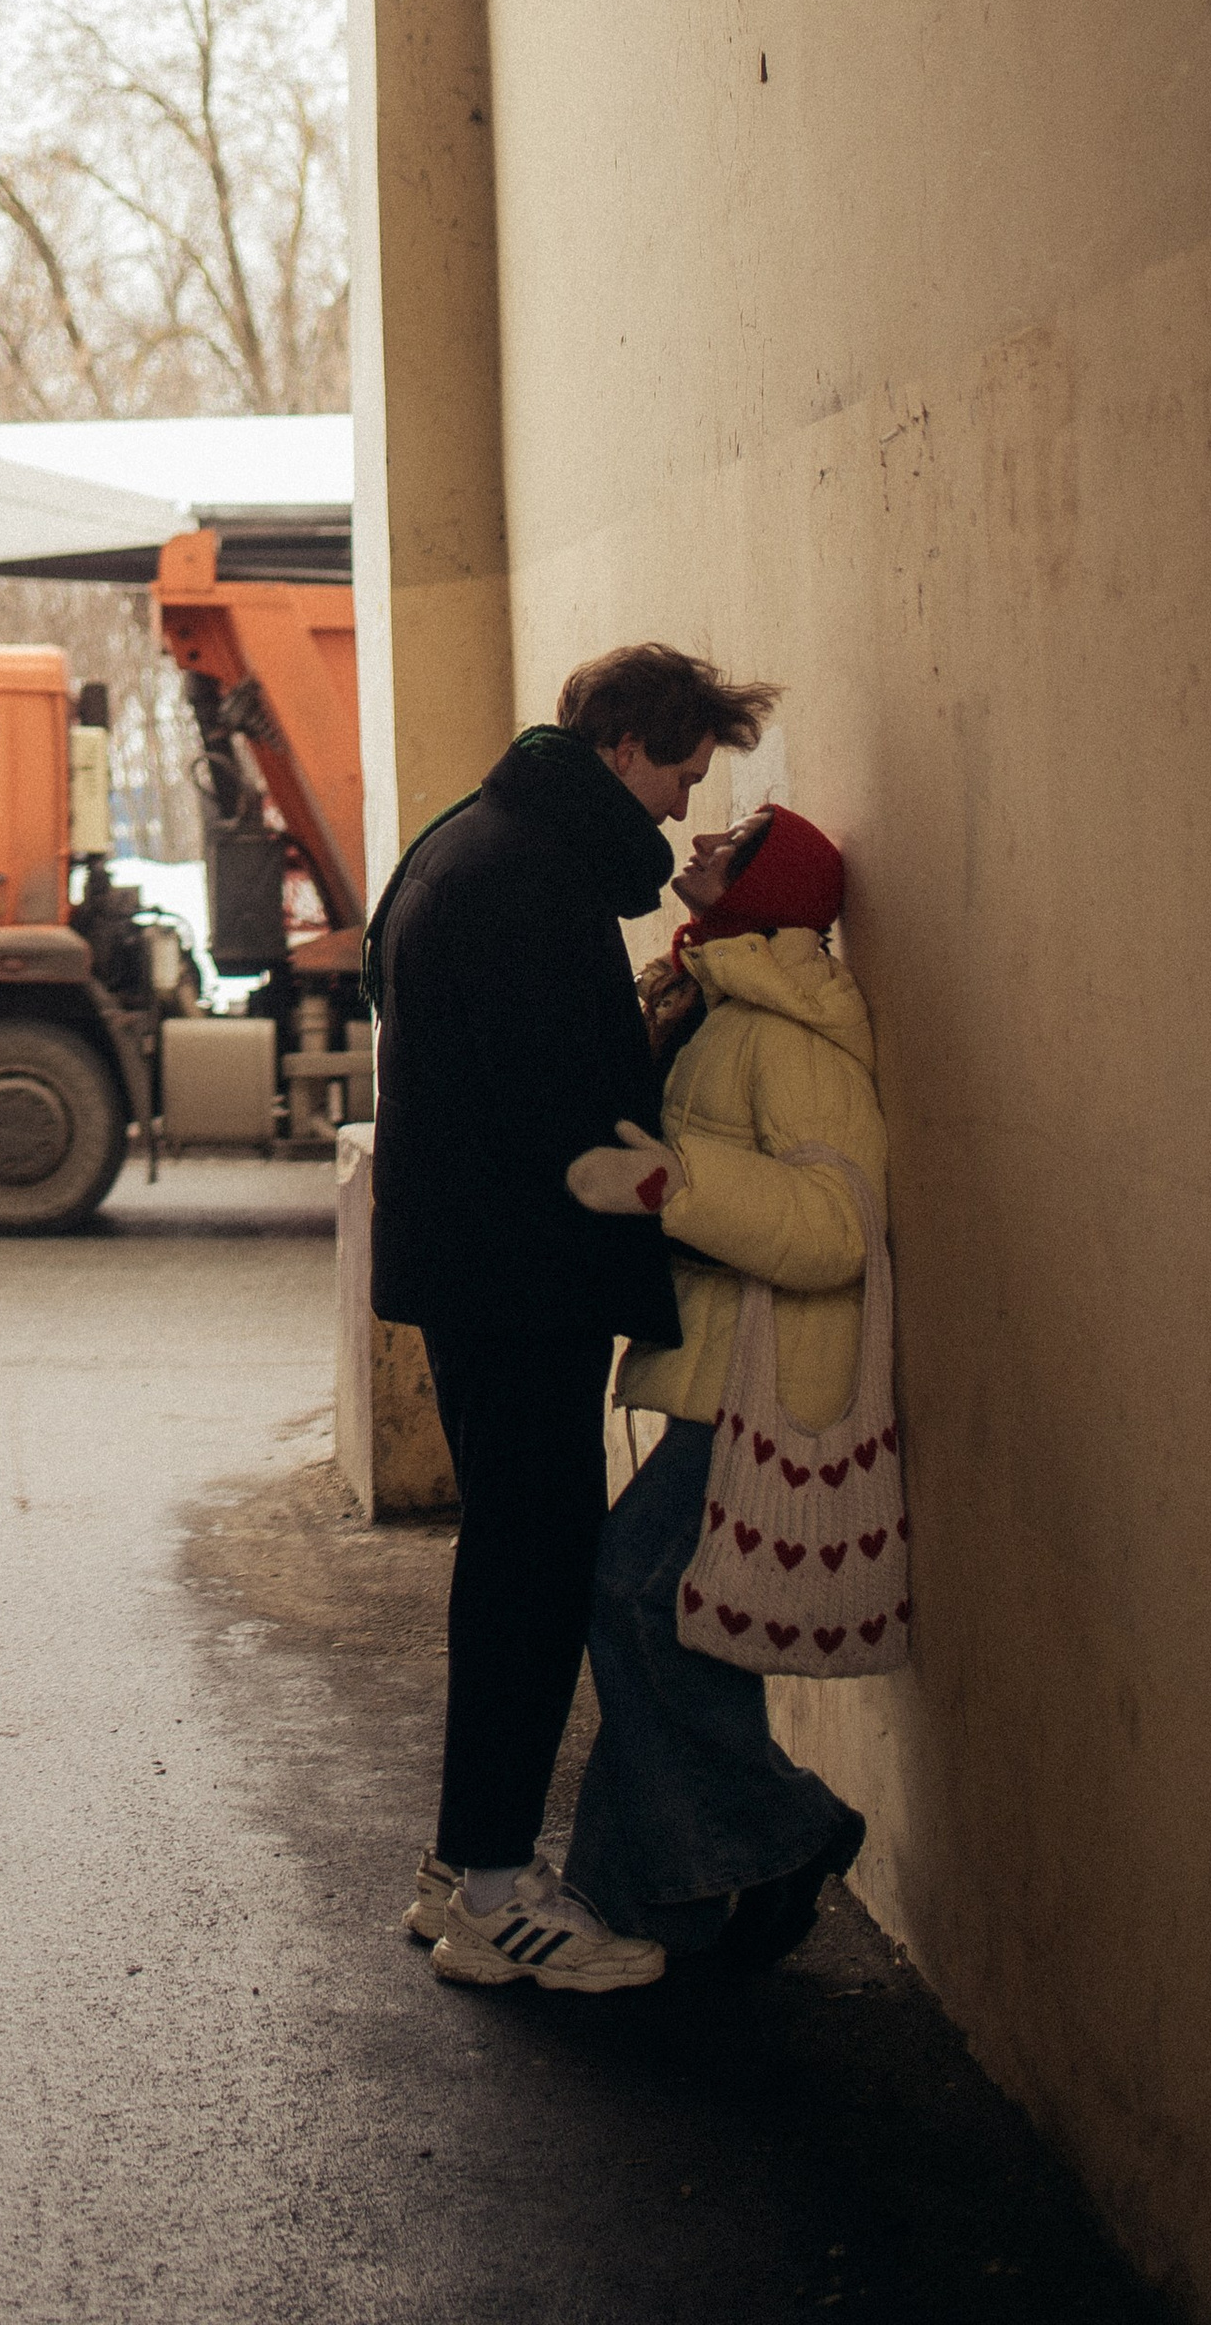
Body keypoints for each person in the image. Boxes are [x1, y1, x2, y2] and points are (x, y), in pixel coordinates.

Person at [366, 642, 777, 1993]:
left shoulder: (470, 845)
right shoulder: (531, 886)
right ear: (620, 752)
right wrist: (676, 1091)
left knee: (513, 1562)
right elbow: (578, 1121)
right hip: (522, 1276)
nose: (678, 805)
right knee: (534, 1575)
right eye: (676, 771)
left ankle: (459, 1869)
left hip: (472, 1269)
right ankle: (495, 1896)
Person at [561, 801, 884, 1966]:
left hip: (757, 1386)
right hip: (717, 1370)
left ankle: (777, 1835)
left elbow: (836, 1226)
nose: (697, 847)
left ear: (765, 893)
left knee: (638, 1595)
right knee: (665, 1612)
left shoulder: (787, 1035)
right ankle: (638, 1900)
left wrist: (669, 1190)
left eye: (730, 848)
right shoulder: (724, 1003)